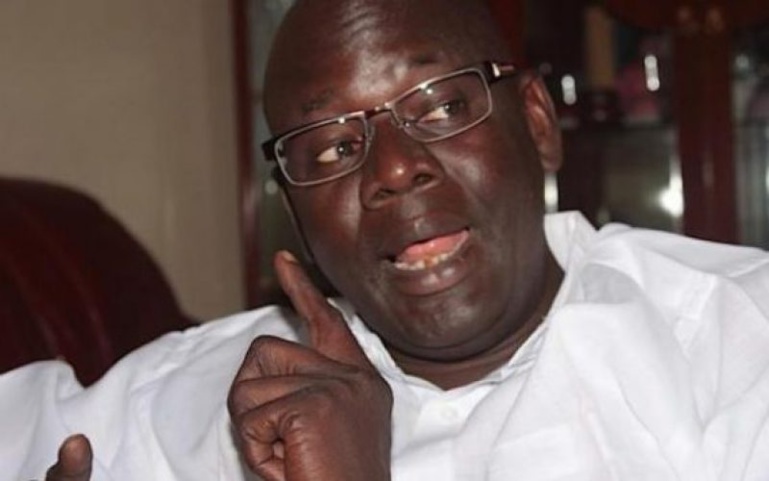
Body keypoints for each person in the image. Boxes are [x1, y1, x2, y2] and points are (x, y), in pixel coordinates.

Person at [5, 0, 769, 479]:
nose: (395, 169)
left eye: (438, 108)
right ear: (295, 210)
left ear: (536, 123)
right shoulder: (184, 396)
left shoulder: (736, 342)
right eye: (332, 147)